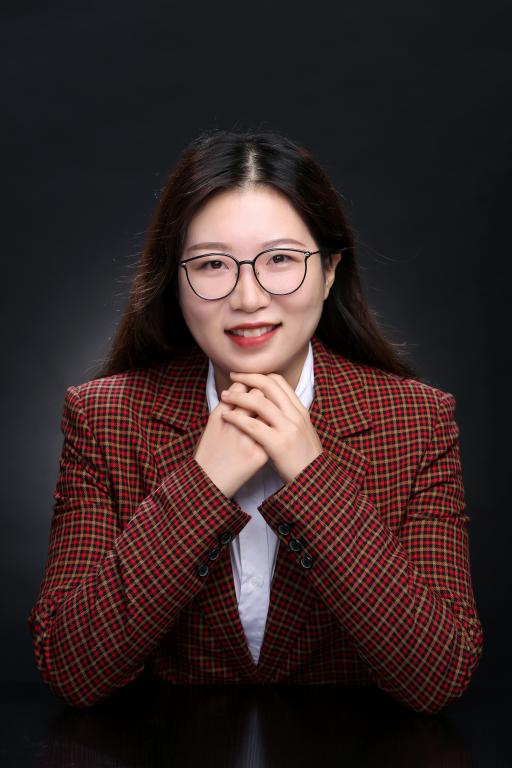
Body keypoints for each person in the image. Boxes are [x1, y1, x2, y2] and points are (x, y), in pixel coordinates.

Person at [28, 128, 483, 713]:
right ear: (176, 280)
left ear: (329, 271)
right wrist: (201, 486)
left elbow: (439, 675)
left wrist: (313, 478)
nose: (248, 298)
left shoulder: (418, 420)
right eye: (213, 264)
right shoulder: (104, 417)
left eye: (281, 260)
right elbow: (70, 668)